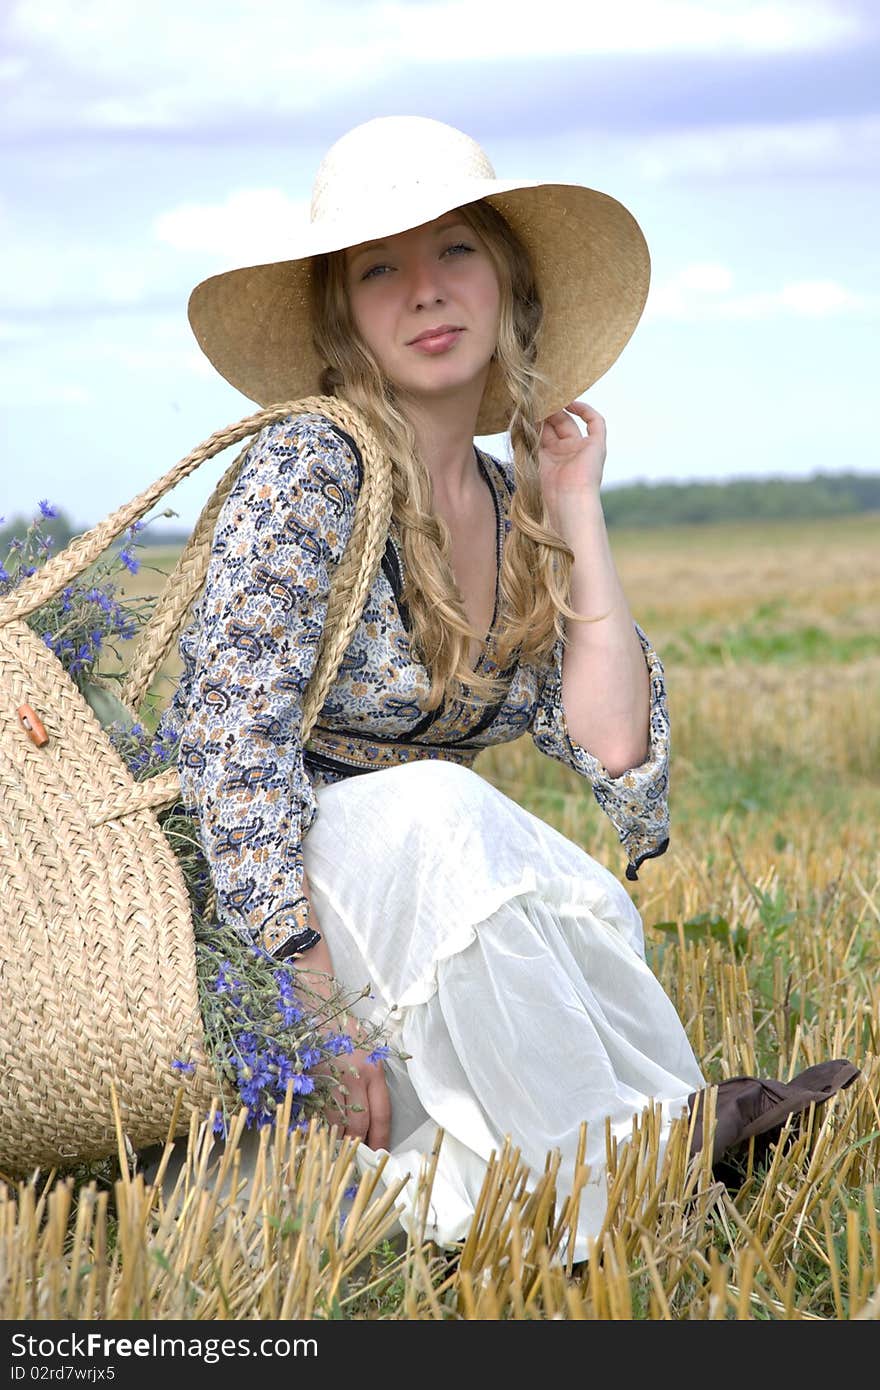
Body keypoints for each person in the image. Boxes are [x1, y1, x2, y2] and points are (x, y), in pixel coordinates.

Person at [152, 116, 857, 1260]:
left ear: (507, 285)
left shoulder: (505, 497)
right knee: (448, 815)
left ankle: (617, 1167)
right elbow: (230, 746)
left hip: (411, 894)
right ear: (343, 311)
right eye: (382, 267)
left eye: (457, 254)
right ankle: (650, 1164)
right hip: (268, 910)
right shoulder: (310, 462)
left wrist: (572, 498)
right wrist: (307, 1000)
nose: (426, 292)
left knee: (559, 880)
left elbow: (611, 742)